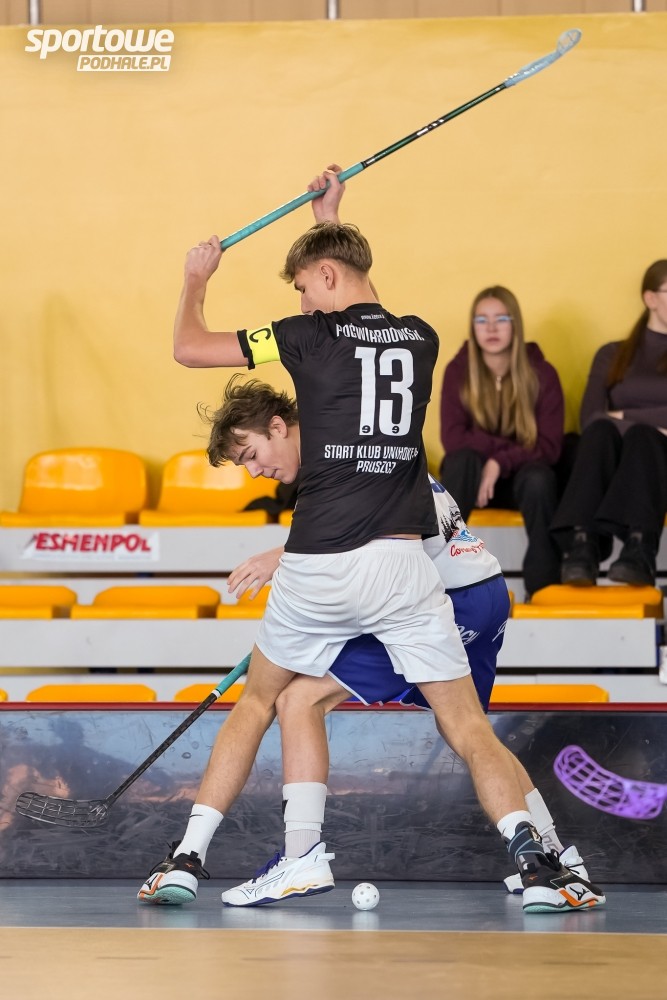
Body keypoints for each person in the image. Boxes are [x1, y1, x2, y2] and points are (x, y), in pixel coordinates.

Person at [137, 165, 602, 915]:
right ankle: (540, 864)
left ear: (324, 276)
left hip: (323, 564)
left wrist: (196, 277)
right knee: (465, 726)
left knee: (262, 701)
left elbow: (190, 347)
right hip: (401, 564)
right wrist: (331, 220)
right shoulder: (421, 338)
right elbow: (364, 310)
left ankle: (195, 858)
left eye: (303, 286)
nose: (299, 301)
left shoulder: (304, 337)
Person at [201, 380, 596, 907]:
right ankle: (557, 860)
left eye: (252, 455)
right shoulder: (356, 438)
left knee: (300, 698)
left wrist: (288, 565)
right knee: (471, 729)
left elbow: (370, 553)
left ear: (279, 426)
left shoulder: (333, 464)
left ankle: (300, 857)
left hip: (445, 597)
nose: (254, 471)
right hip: (481, 588)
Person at [439, 287, 564, 598]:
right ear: (473, 327)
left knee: (539, 478)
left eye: (501, 319)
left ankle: (543, 588)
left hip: (521, 485)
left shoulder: (541, 373)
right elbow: (452, 438)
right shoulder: (458, 371)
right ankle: (438, 572)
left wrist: (500, 462)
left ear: (515, 324)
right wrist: (493, 458)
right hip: (474, 483)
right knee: (462, 460)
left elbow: (549, 447)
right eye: (482, 320)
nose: (491, 328)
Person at [553, 260, 667, 587]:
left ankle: (639, 548)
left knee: (643, 438)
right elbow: (591, 419)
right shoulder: (612, 354)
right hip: (615, 460)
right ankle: (583, 544)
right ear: (650, 298)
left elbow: (613, 419)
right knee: (600, 433)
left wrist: (623, 417)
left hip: (658, 461)